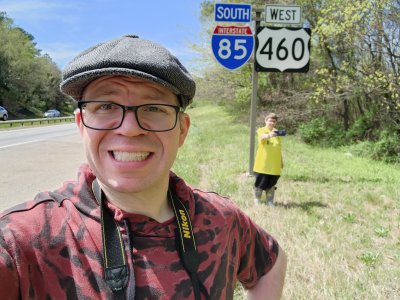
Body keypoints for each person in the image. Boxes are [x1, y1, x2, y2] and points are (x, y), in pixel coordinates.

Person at [0, 34, 286, 299]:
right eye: (106, 106)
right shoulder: (22, 242)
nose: (130, 128)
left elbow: (272, 263)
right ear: (81, 125)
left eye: (153, 108)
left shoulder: (221, 219)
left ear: (182, 131)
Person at [253, 113, 284, 206]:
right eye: (270, 120)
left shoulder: (277, 133)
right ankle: (257, 199)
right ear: (265, 121)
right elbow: (262, 137)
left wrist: (281, 161)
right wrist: (270, 135)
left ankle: (270, 201)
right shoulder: (261, 130)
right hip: (263, 163)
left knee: (271, 184)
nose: (272, 122)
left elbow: (278, 148)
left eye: (274, 121)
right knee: (260, 182)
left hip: (274, 165)